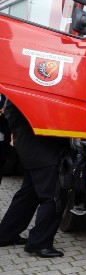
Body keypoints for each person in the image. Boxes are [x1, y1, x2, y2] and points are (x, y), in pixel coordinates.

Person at [0, 99, 68, 256]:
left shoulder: (21, 90)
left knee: (28, 195)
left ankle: (5, 235)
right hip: (44, 149)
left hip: (31, 146)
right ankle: (39, 243)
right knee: (53, 197)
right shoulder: (33, 89)